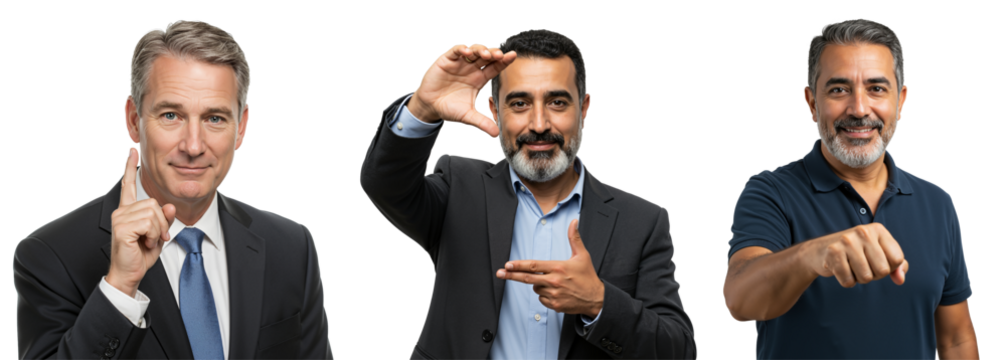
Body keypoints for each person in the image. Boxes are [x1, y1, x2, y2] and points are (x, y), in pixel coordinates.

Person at [359, 28, 697, 360]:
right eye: (519, 103)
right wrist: (422, 108)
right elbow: (384, 184)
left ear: (584, 110)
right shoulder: (459, 186)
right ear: (494, 110)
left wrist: (599, 302)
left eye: (557, 102)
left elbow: (678, 349)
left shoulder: (643, 220)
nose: (538, 123)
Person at [13, 19, 335, 359]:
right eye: (171, 115)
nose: (194, 146)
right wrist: (120, 287)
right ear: (134, 120)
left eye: (215, 118)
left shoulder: (291, 247)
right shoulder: (50, 255)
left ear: (240, 127)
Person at [721, 17, 978, 359]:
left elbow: (955, 339)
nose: (859, 109)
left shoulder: (937, 202)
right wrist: (813, 255)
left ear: (900, 101)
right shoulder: (770, 191)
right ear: (812, 103)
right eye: (839, 89)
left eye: (876, 89)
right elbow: (740, 301)